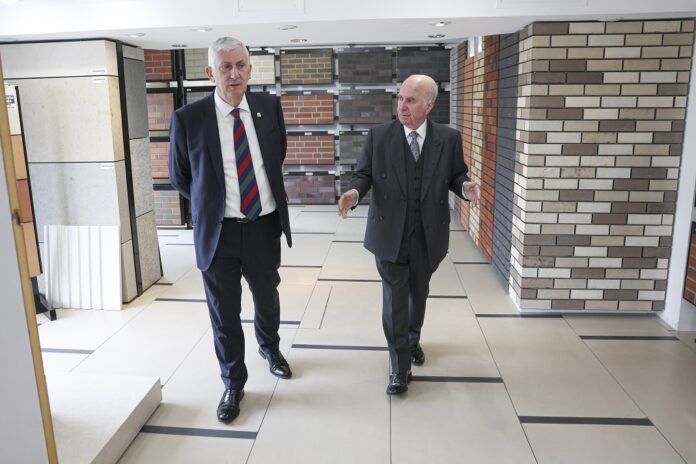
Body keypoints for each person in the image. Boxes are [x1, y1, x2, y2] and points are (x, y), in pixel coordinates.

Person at [169, 37, 293, 423]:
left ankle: (269, 348)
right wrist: (213, 203)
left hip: (262, 225)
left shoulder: (269, 108)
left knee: (266, 296)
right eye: (226, 67)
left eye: (241, 65)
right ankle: (233, 382)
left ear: (250, 69)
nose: (235, 73)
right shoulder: (189, 118)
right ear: (210, 72)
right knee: (223, 313)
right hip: (218, 233)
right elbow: (180, 176)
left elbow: (277, 154)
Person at [338, 74, 480, 395]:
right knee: (394, 301)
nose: (402, 105)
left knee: (419, 293)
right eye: (400, 98)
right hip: (389, 234)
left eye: (411, 100)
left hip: (428, 235)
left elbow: (456, 174)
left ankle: (412, 338)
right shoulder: (379, 136)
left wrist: (465, 187)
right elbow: (363, 175)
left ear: (429, 105)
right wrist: (354, 194)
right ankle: (399, 367)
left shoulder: (448, 138)